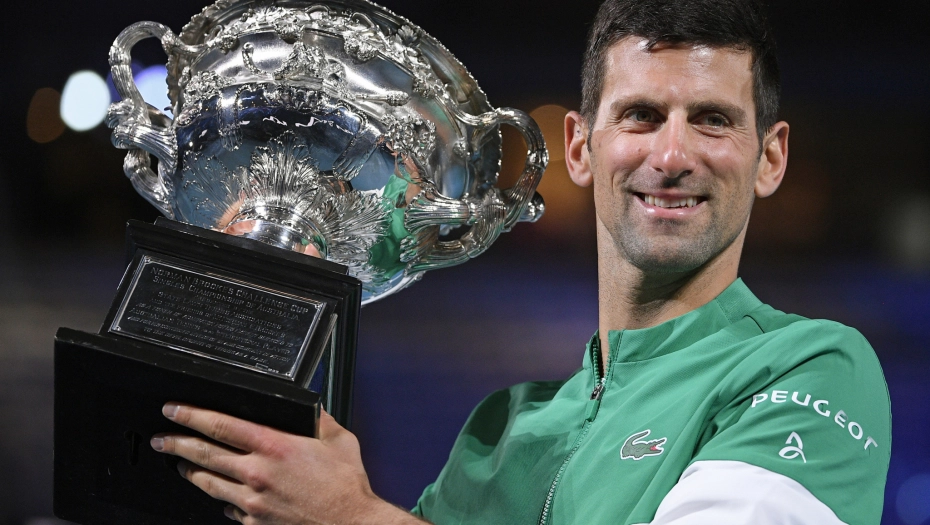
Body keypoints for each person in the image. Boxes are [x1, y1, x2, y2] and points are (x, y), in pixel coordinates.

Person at [149, 0, 891, 523]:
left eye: (712, 120)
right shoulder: (498, 435)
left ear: (770, 158)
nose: (671, 155)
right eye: (639, 115)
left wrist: (352, 515)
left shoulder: (809, 369)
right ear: (580, 148)